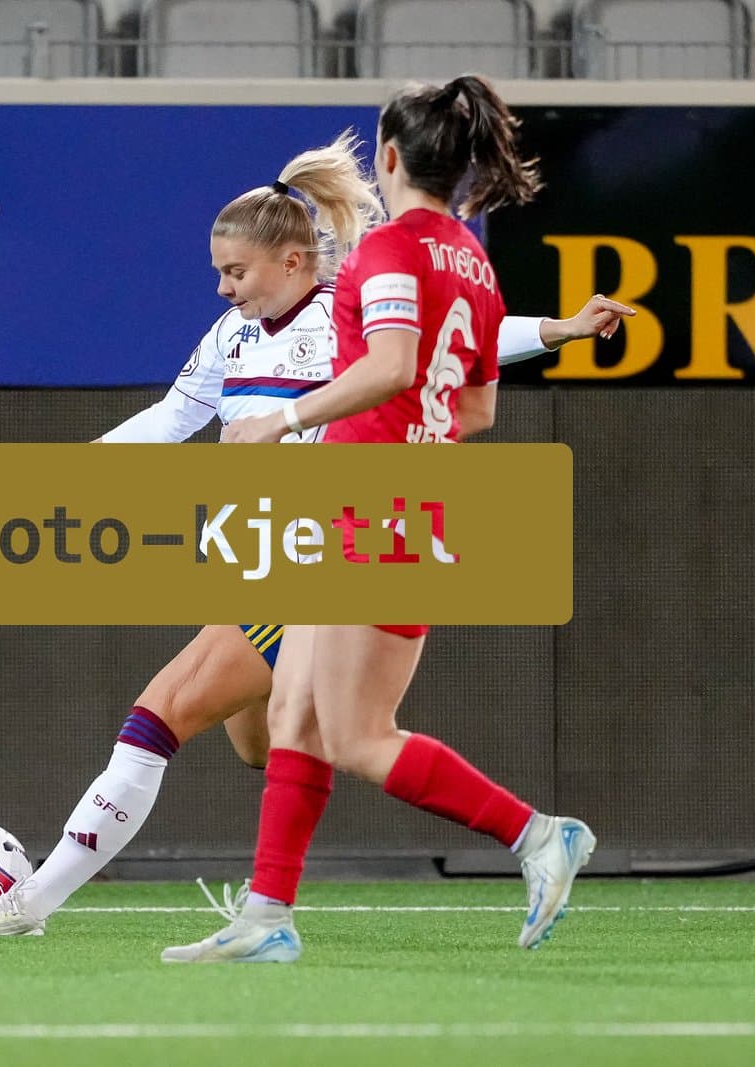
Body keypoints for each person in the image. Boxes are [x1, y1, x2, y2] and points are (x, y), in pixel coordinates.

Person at [0, 126, 630, 939]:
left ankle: (32, 906)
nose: (226, 289)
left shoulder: (342, 318)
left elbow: (451, 344)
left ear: (295, 263)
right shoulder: (230, 338)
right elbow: (172, 418)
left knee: (157, 715)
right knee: (270, 743)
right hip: (262, 558)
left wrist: (560, 328)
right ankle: (295, 899)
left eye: (236, 272)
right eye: (219, 274)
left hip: (318, 546)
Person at [161, 75, 594, 964]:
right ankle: (267, 916)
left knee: (356, 734)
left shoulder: (388, 250)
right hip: (391, 503)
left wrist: (282, 419)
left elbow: (394, 366)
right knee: (292, 713)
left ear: (390, 157)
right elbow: (474, 411)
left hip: (375, 508)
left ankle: (539, 834)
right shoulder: (471, 260)